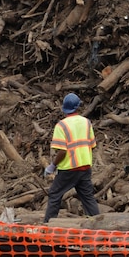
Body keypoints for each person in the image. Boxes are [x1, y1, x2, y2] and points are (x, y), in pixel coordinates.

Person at [43, 92, 100, 221]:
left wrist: (52, 166)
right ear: (78, 107)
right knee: (88, 198)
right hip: (85, 166)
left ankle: (47, 226)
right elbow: (92, 145)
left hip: (69, 168)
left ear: (65, 109)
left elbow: (62, 151)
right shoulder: (86, 122)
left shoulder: (62, 126)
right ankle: (99, 225)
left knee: (54, 194)